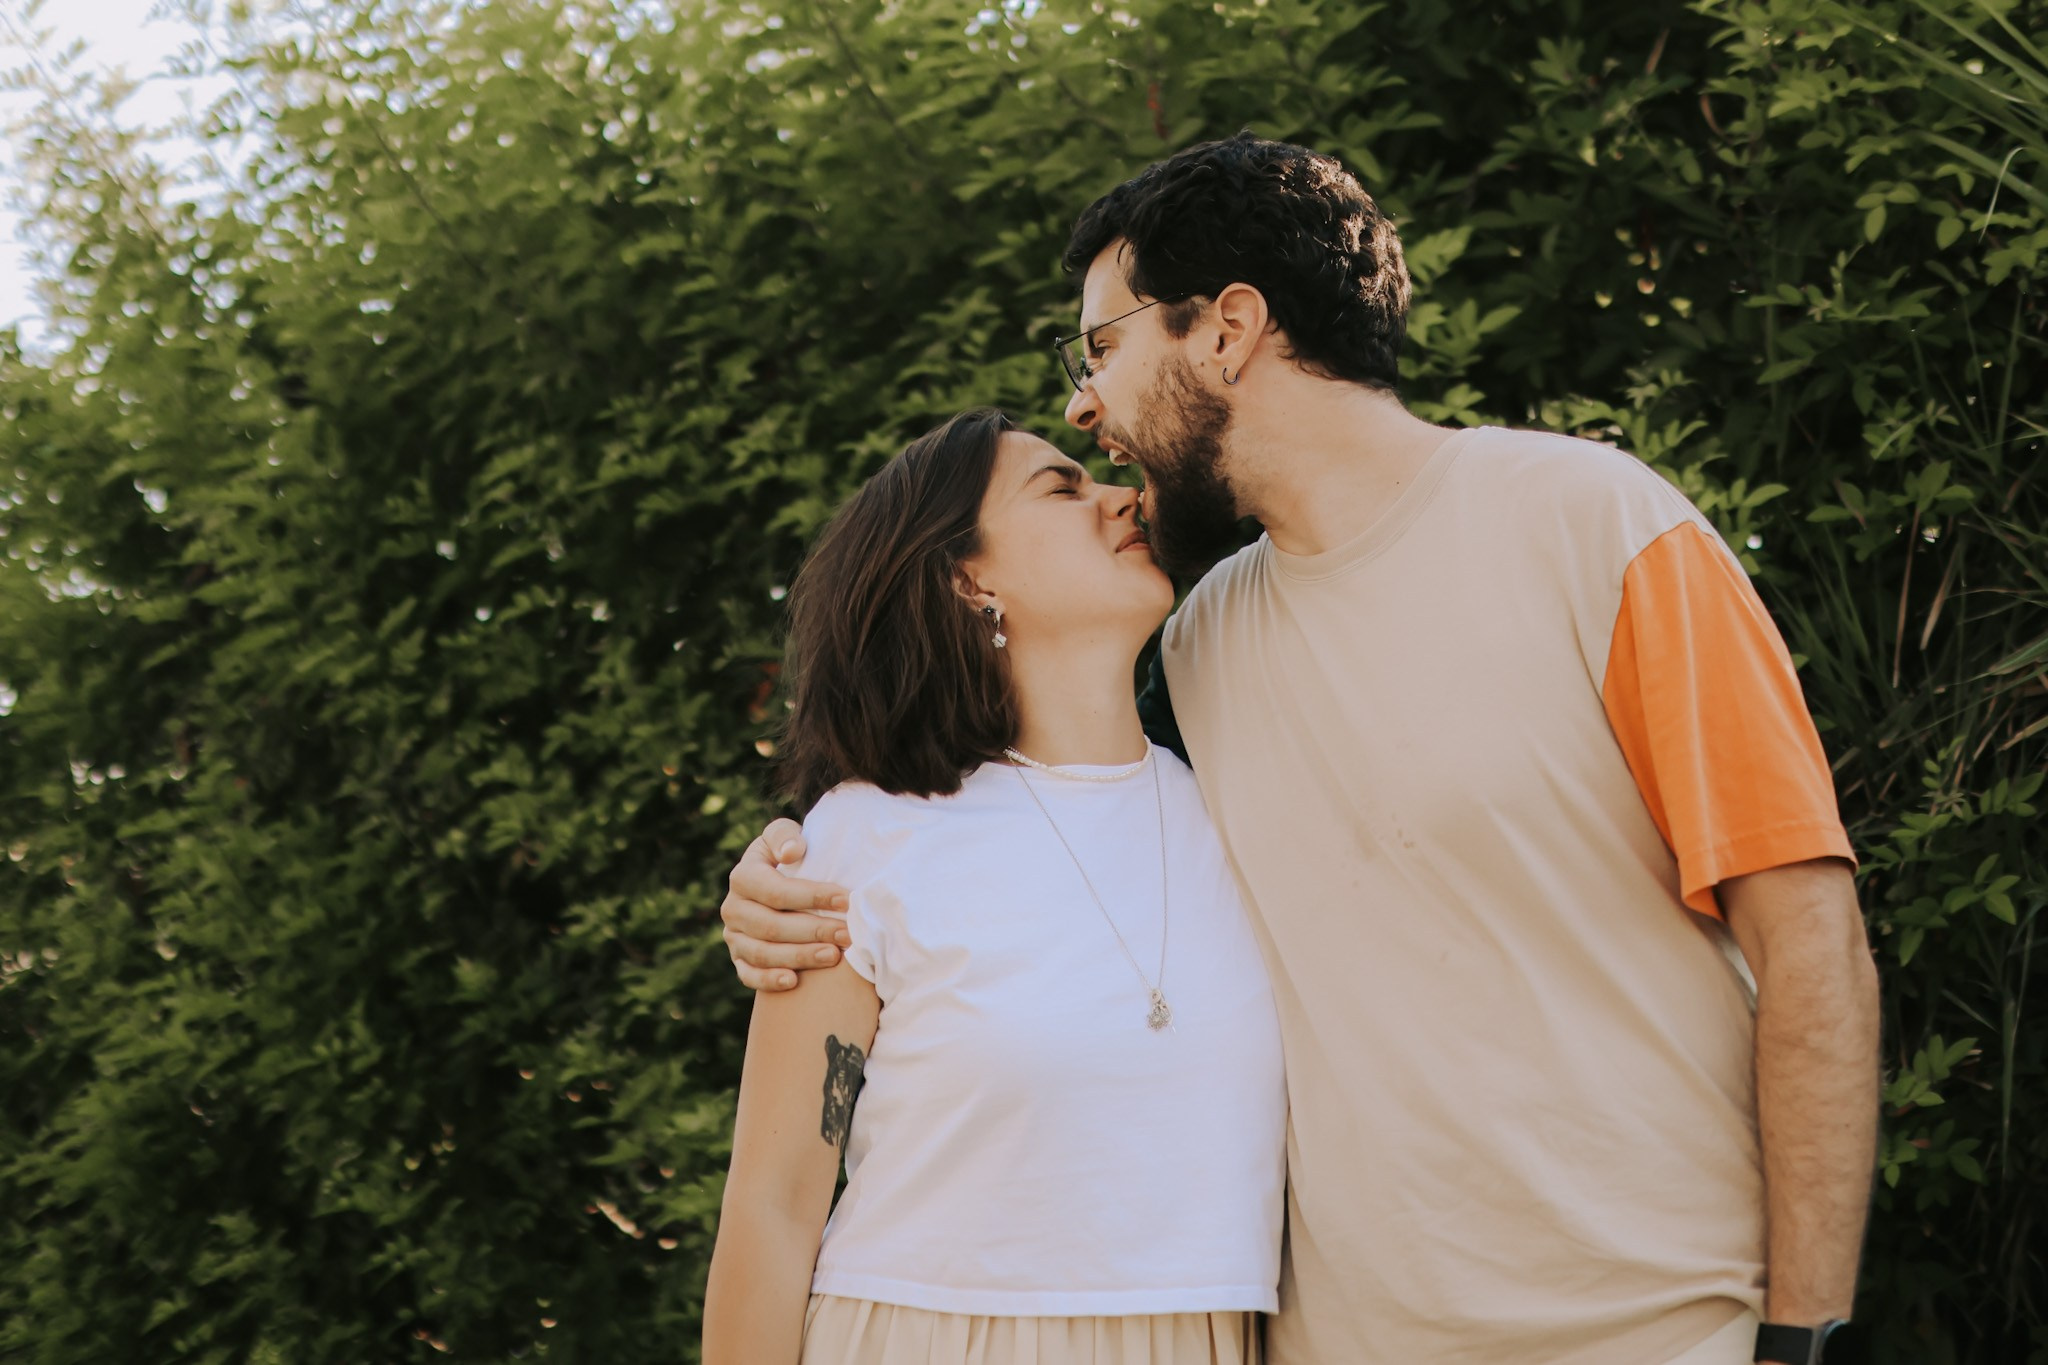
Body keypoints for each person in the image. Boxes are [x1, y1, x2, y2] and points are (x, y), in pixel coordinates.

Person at [719, 135, 1882, 1365]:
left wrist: (1804, 1336)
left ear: (1225, 331)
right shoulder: (1202, 645)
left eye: (1100, 348)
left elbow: (1806, 938)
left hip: (1653, 1332)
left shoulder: (1595, 528)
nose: (1081, 405)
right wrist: (785, 883)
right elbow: (1039, 844)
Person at [700, 408, 1287, 1365]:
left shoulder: (1238, 804)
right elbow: (771, 1207)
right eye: (1060, 487)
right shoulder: (860, 840)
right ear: (966, 577)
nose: (1120, 495)